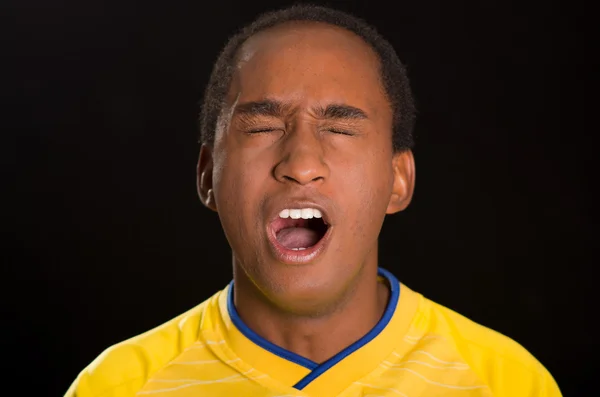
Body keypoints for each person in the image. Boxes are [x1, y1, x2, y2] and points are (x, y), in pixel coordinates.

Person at [66, 4, 562, 397]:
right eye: (261, 126)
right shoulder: (116, 387)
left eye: (340, 127)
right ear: (207, 176)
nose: (301, 163)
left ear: (398, 180)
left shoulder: (507, 383)